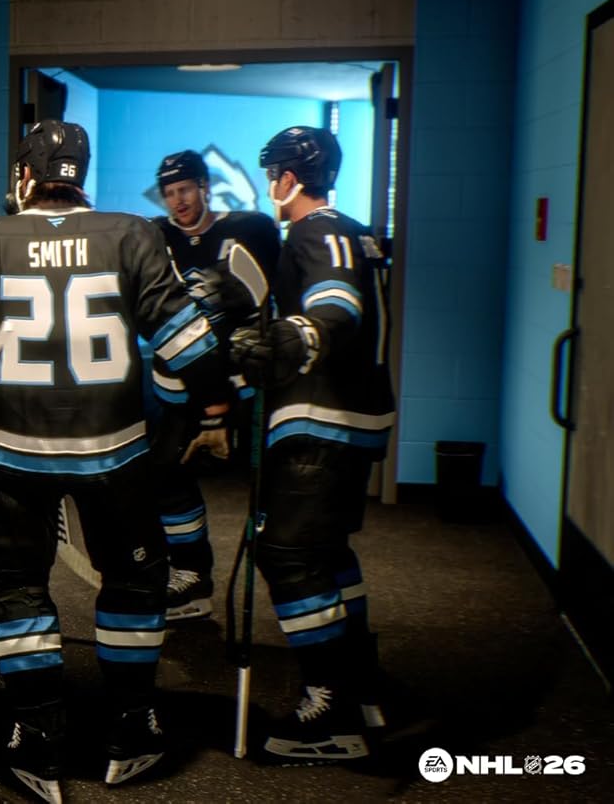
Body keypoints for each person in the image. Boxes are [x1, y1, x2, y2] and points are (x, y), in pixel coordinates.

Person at [0, 120, 232, 801]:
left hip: (15, 456)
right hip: (115, 452)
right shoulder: (133, 233)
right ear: (81, 174)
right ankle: (132, 721)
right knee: (133, 583)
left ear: (25, 176)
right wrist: (215, 412)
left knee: (17, 587)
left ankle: (37, 730)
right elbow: (192, 345)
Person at [230, 125, 395, 761]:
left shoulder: (313, 230)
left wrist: (296, 336)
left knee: (286, 553)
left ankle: (333, 707)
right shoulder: (355, 230)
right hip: (353, 420)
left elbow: (337, 306)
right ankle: (360, 680)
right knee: (328, 551)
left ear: (288, 178)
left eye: (272, 173)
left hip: (321, 420)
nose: (271, 184)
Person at [148, 150, 282, 621]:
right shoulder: (155, 236)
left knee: (270, 486)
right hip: (184, 386)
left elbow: (272, 298)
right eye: (169, 193)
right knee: (166, 475)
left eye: (185, 189)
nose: (178, 201)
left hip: (241, 384)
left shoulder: (251, 229)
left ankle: (290, 572)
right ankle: (191, 574)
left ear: (204, 186)